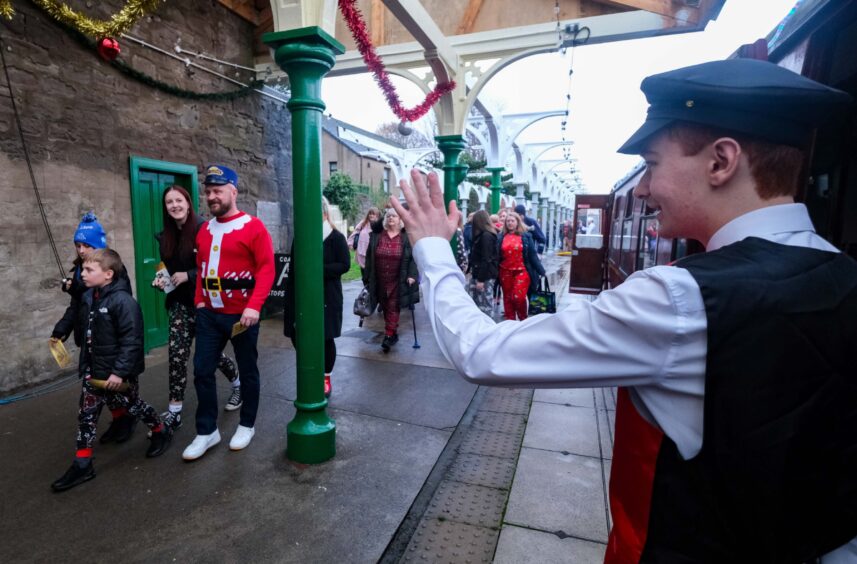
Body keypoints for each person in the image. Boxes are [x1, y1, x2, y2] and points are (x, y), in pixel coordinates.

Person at [391, 59, 857, 562]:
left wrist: (433, 248)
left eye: (653, 163)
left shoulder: (678, 299)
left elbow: (483, 353)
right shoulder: (845, 277)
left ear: (721, 162)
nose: (641, 188)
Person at [51, 249, 171, 492]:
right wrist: (60, 332)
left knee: (133, 405)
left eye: (88, 270)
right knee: (86, 416)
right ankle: (83, 463)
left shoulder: (123, 302)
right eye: (82, 269)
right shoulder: (87, 296)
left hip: (117, 374)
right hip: (93, 371)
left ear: (108, 274)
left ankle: (160, 428)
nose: (81, 274)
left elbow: (132, 340)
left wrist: (119, 373)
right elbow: (77, 318)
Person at [182, 165, 275, 461]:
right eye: (208, 191)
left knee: (248, 371)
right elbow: (202, 269)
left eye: (218, 191)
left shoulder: (253, 227)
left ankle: (247, 425)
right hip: (209, 313)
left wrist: (254, 306)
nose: (212, 196)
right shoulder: (204, 230)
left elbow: (266, 268)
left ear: (233, 191)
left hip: (241, 315)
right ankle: (207, 431)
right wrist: (198, 301)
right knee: (201, 371)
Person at [153, 185, 239, 431]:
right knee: (177, 356)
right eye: (169, 202)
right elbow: (168, 269)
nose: (174, 205)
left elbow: (215, 266)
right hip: (180, 304)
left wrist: (188, 275)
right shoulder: (165, 236)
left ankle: (238, 385)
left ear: (188, 203)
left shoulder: (205, 229)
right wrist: (162, 279)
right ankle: (175, 411)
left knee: (211, 356)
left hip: (204, 304)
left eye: (178, 200)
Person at [51, 212, 135, 444]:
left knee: (121, 391)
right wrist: (61, 329)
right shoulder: (80, 270)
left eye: (86, 245)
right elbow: (77, 307)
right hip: (91, 340)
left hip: (110, 342)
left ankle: (142, 424)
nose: (80, 249)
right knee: (102, 390)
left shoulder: (112, 271)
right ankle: (120, 421)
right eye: (77, 245)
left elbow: (110, 303)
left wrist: (77, 288)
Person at [284, 196, 350, 398]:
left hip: (328, 297)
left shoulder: (336, 238)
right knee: (298, 334)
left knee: (326, 338)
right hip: (301, 295)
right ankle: (311, 369)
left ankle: (325, 377)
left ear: (323, 213)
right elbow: (294, 266)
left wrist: (317, 269)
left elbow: (345, 265)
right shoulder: (301, 236)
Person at [363, 207, 418, 352]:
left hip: (397, 278)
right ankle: (392, 332)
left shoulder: (406, 237)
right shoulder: (377, 236)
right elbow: (369, 257)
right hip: (379, 278)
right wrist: (367, 276)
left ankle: (388, 334)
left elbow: (413, 258)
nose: (391, 219)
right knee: (385, 305)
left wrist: (412, 275)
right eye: (389, 216)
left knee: (393, 306)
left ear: (400, 220)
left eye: (394, 216)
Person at [497, 211, 545, 321]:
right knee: (508, 299)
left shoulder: (526, 236)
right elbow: (497, 255)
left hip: (522, 271)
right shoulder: (501, 237)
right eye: (508, 221)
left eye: (512, 221)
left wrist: (541, 271)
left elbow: (532, 255)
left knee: (518, 297)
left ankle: (523, 320)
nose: (510, 223)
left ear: (518, 222)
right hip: (505, 272)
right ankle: (510, 323)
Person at [467, 210, 499, 315]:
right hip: (485, 274)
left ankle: (488, 328)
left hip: (485, 275)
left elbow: (486, 258)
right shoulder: (487, 235)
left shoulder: (485, 236)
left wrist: (480, 279)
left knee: (485, 305)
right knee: (482, 303)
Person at [347, 207, 379, 277]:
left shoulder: (379, 225)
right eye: (370, 214)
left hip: (373, 253)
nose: (371, 215)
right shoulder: (363, 223)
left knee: (372, 275)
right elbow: (355, 232)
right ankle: (366, 285)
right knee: (364, 275)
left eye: (373, 214)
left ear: (377, 215)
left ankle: (371, 287)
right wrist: (350, 243)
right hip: (362, 252)